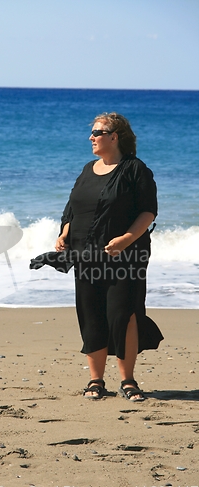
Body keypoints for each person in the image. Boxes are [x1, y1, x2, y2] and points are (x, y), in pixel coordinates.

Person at [55, 112, 163, 401]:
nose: (91, 137)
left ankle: (128, 381)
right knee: (91, 315)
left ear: (114, 137)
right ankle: (96, 381)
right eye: (92, 132)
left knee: (122, 315)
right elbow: (73, 209)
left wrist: (126, 239)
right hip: (86, 255)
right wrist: (65, 232)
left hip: (126, 258)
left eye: (97, 132)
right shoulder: (87, 169)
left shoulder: (135, 169)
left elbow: (148, 211)